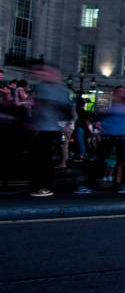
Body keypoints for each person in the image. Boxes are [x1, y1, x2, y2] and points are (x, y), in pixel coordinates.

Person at [24, 63, 74, 198]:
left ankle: (44, 186)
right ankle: (38, 185)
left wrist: (63, 124)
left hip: (49, 129)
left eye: (46, 72)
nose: (41, 74)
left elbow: (67, 110)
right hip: (41, 128)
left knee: (43, 159)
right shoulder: (43, 87)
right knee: (38, 158)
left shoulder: (59, 90)